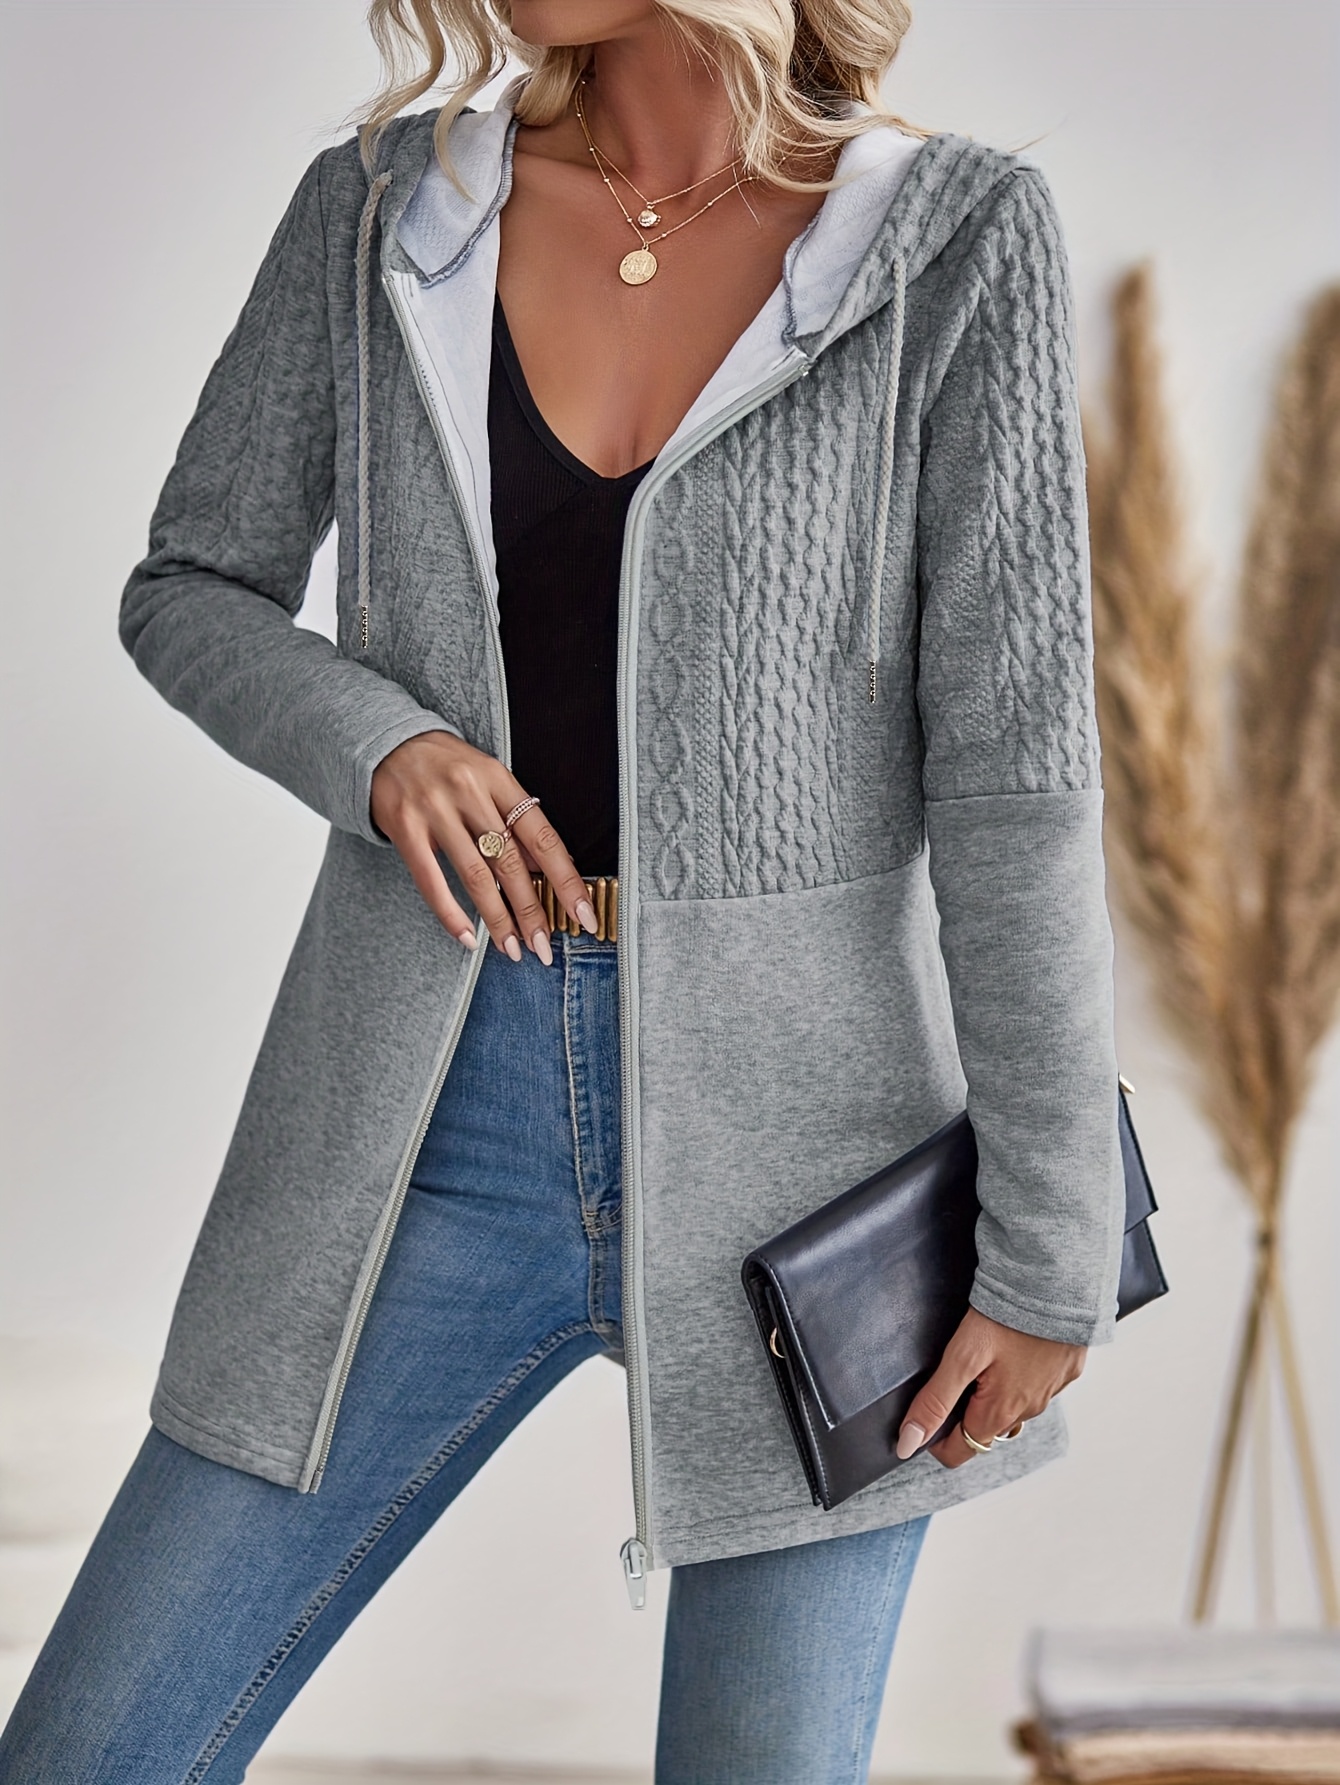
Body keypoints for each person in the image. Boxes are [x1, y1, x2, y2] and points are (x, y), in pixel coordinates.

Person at [0, 1, 1128, 1780]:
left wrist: (1053, 1248)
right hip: (422, 1114)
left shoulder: (953, 239)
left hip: (816, 1173)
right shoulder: (385, 212)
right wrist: (379, 743)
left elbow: (1015, 781)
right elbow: (191, 581)